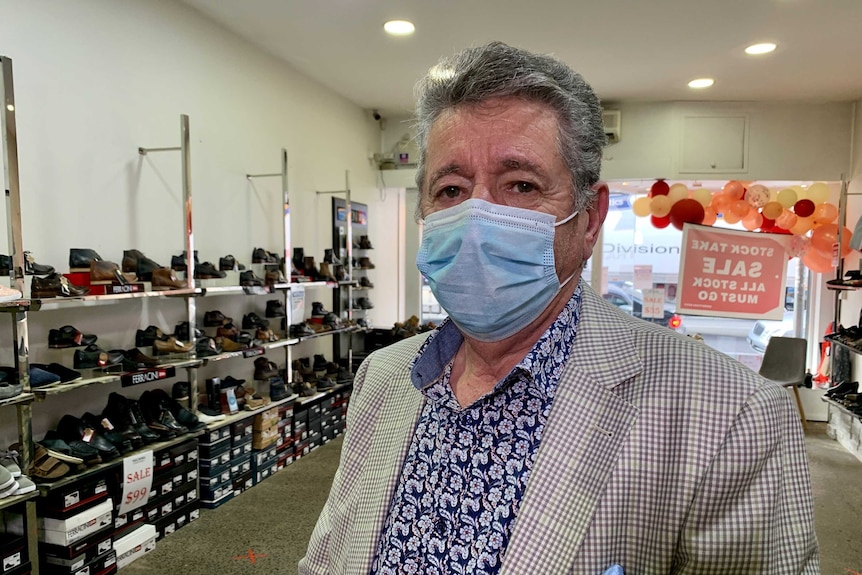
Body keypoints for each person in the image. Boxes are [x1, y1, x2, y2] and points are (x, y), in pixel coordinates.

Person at [299, 41, 819, 574]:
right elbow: (329, 556)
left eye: (522, 185)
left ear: (590, 219)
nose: (478, 220)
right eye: (451, 190)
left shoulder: (731, 416)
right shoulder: (383, 377)